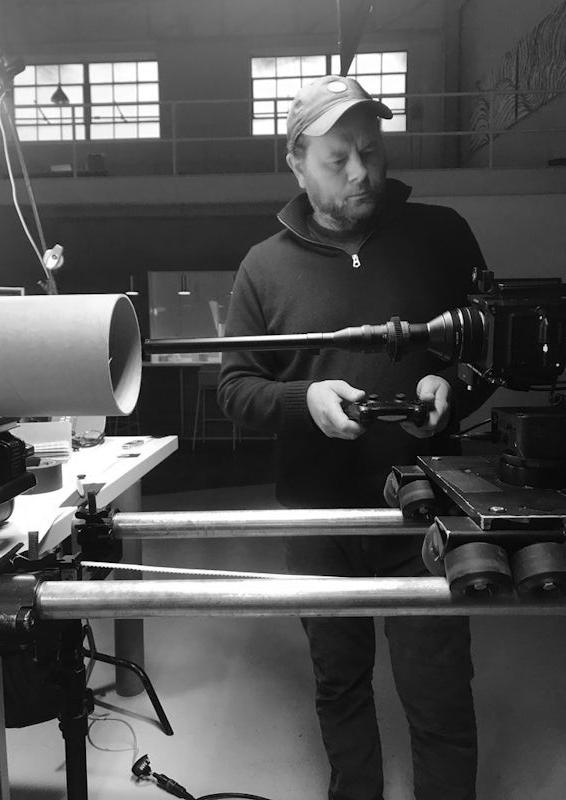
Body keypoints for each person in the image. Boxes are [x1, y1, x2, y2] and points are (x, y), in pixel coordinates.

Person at [218, 75, 489, 800]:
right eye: (338, 159)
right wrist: (303, 400)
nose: (362, 172)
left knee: (438, 689)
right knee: (339, 682)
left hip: (429, 507)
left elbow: (494, 349)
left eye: (371, 150)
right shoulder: (263, 267)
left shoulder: (441, 234)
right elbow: (235, 388)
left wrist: (451, 385)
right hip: (319, 516)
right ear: (297, 164)